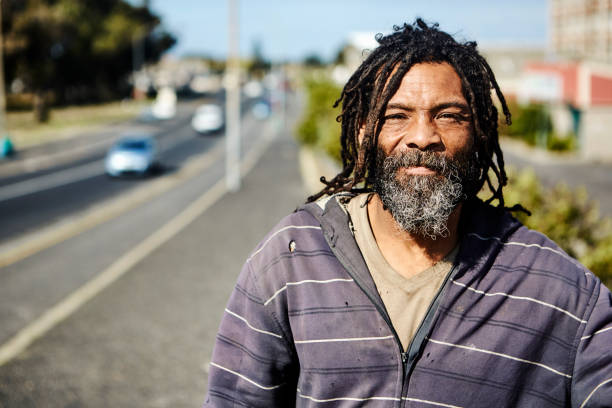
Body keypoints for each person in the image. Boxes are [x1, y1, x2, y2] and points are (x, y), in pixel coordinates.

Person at [204, 19, 612, 407]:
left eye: (448, 115)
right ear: (364, 132)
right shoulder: (290, 260)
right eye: (396, 115)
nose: (422, 137)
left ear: (480, 133)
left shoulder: (560, 292)